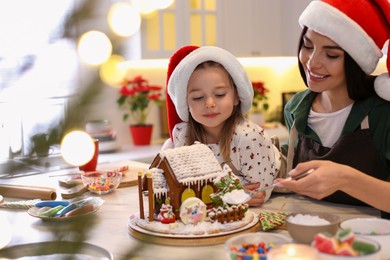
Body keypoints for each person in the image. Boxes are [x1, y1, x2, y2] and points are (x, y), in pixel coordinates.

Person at [275, 0, 390, 218]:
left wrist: (345, 179)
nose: (312, 62)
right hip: (313, 238)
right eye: (307, 46)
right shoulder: (296, 108)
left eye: (331, 55)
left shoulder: (382, 113)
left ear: (356, 60)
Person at [163, 45, 281, 206]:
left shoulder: (249, 138)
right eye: (198, 97)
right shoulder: (181, 135)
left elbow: (259, 194)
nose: (209, 103)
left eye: (219, 94)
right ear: (186, 104)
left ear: (236, 97)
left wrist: (206, 194)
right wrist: (232, 194)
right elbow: (170, 184)